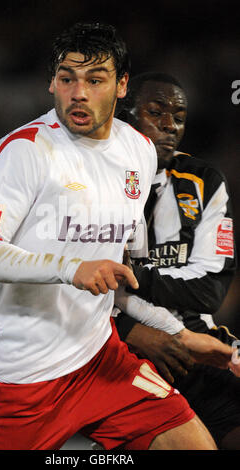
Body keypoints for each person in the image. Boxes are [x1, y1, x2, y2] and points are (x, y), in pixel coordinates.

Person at [0, 24, 232, 451]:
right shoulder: (25, 151)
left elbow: (120, 276)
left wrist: (178, 335)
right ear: (52, 83)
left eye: (94, 80)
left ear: (121, 86)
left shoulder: (138, 150)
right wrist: (69, 268)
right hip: (20, 375)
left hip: (100, 359)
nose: (78, 93)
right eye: (67, 79)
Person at [114, 72, 240, 449]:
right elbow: (87, 283)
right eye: (156, 112)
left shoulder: (204, 180)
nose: (170, 125)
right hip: (118, 348)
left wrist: (134, 275)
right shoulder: (97, 182)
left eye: (180, 117)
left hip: (196, 348)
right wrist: (136, 332)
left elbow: (210, 292)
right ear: (126, 116)